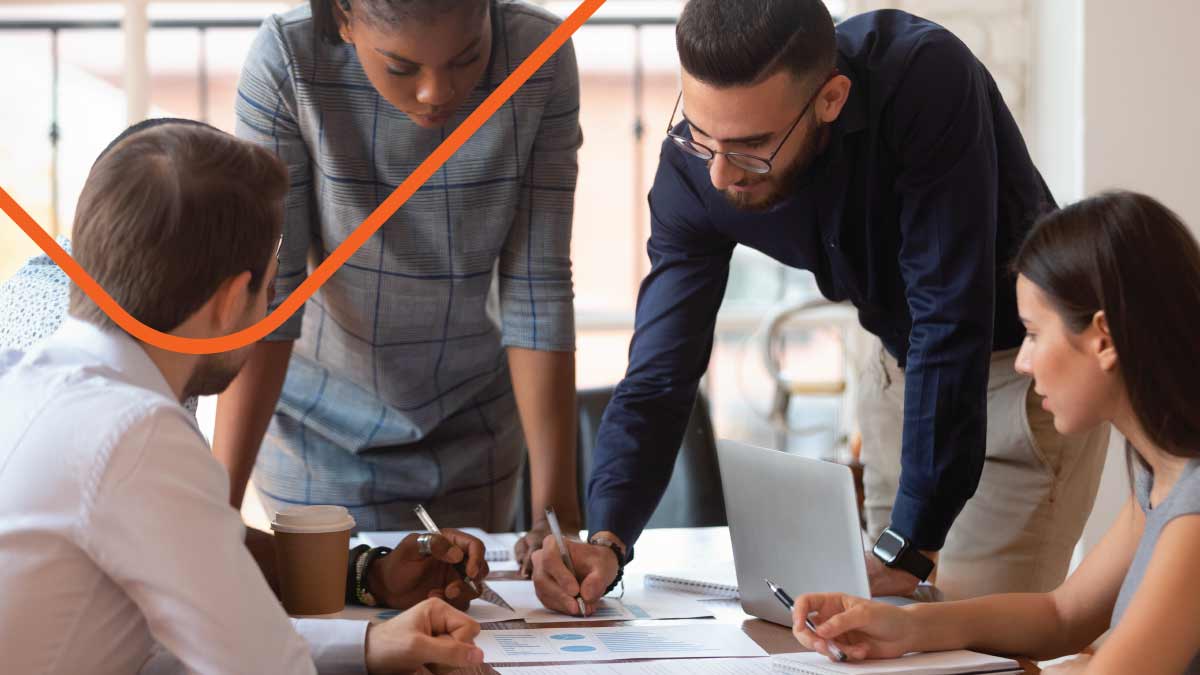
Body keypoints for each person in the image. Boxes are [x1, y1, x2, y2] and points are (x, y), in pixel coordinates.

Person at [531, 0, 1110, 613]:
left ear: (830, 99)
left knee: (978, 639)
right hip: (900, 373)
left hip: (1021, 378)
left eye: (752, 146)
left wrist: (909, 545)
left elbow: (949, 316)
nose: (720, 175)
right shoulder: (696, 166)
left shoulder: (924, 78)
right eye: (701, 135)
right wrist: (609, 538)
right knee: (889, 633)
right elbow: (659, 373)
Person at [0, 119, 487, 673]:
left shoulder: (24, 380)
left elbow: (167, 637)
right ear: (232, 300)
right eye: (270, 288)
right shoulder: (134, 430)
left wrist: (368, 645)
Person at [219, 0, 584, 568]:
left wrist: (555, 519)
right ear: (344, 18)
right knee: (339, 606)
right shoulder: (288, 59)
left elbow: (536, 288)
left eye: (466, 59)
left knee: (464, 608)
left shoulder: (540, 56)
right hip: (320, 430)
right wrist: (217, 510)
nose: (437, 93)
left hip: (475, 426)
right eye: (401, 67)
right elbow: (272, 297)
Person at [789, 191, 1200, 674]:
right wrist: (904, 626)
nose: (1022, 362)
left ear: (1103, 339)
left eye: (1033, 334)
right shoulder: (1161, 472)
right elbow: (1063, 615)